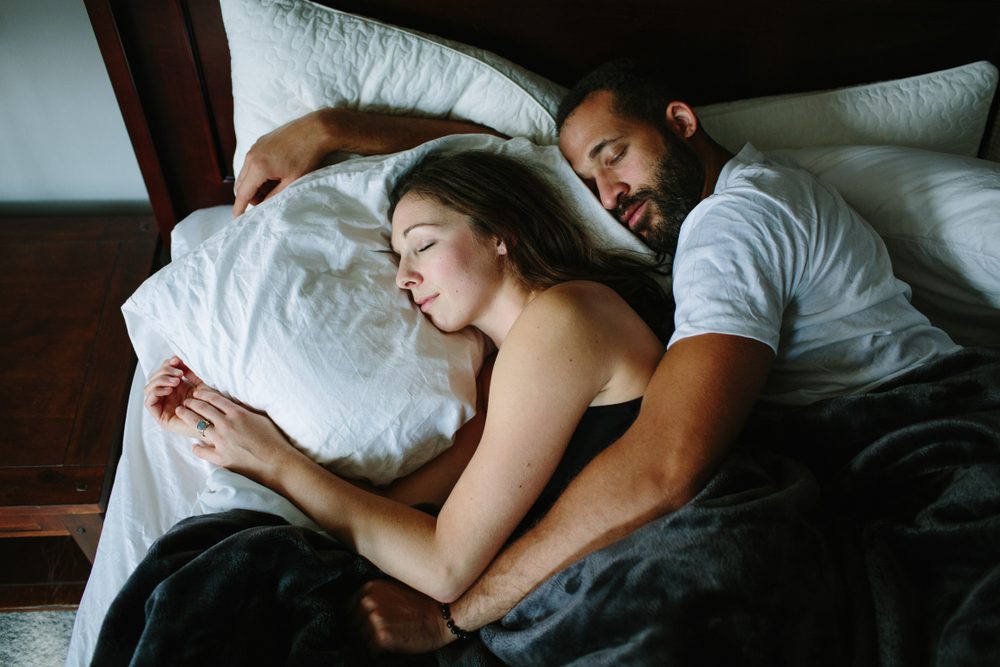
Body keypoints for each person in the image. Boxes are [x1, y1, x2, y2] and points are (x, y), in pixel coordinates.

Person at [142, 150, 668, 628]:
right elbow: (391, 508)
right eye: (400, 257)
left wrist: (276, 461)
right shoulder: (497, 375)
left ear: (499, 231)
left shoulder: (563, 318)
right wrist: (209, 409)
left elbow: (444, 566)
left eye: (424, 245)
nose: (404, 278)